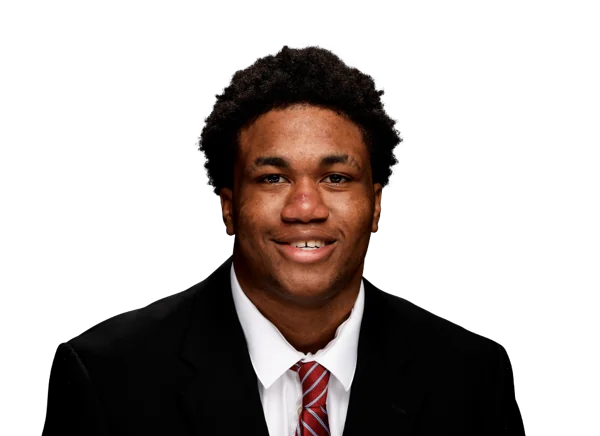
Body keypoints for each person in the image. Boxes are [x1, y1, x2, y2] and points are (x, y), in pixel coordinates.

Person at [55, 44, 517, 435]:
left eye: (336, 178)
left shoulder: (470, 376)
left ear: (376, 206)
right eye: (273, 178)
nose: (305, 208)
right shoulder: (109, 375)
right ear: (229, 206)